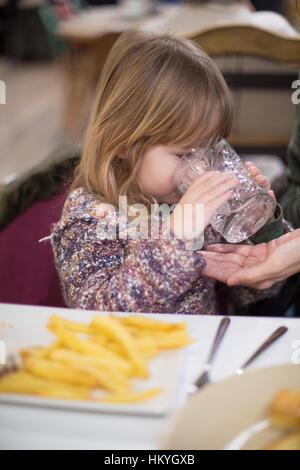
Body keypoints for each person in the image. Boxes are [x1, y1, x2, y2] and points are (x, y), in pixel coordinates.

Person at [50, 29, 286, 314]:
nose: (200, 169)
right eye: (183, 154)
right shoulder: (89, 218)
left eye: (209, 149)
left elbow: (255, 292)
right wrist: (176, 238)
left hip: (202, 351)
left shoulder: (200, 209)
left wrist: (259, 231)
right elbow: (97, 312)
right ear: (124, 141)